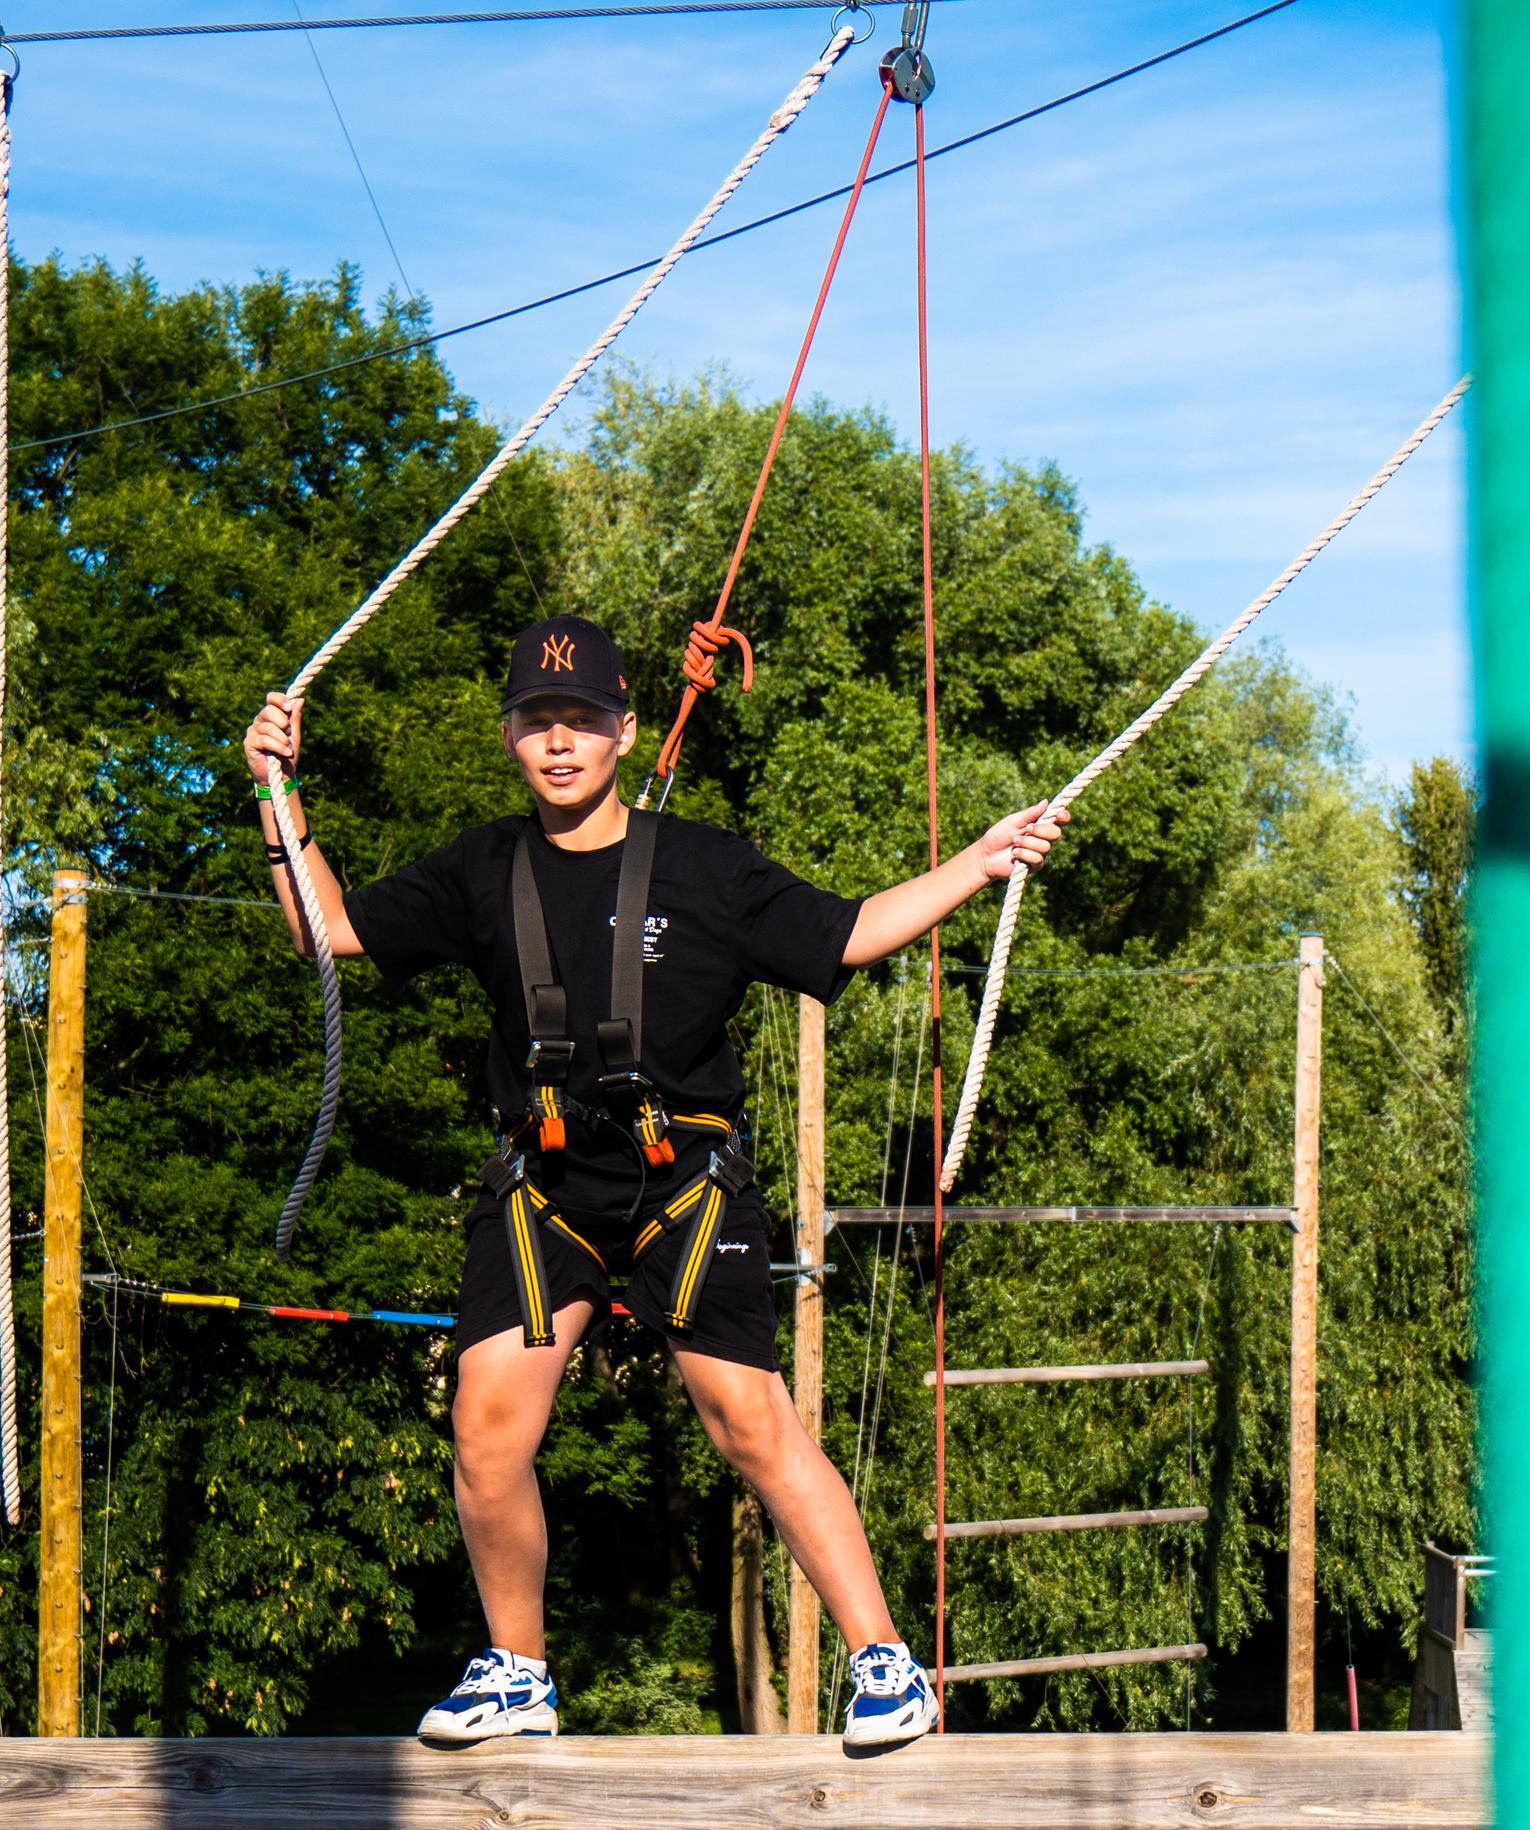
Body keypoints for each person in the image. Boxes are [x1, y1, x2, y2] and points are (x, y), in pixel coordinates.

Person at [243, 619, 1068, 1752]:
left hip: (686, 1183)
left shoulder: (707, 866)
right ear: (511, 739)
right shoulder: (481, 868)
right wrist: (275, 793)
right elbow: (324, 927)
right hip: (545, 1188)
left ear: (624, 733)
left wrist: (977, 864)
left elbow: (853, 932)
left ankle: (885, 1662)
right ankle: (516, 1672)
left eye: (582, 722)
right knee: (485, 1429)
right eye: (538, 723)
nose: (561, 743)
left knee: (748, 1419)